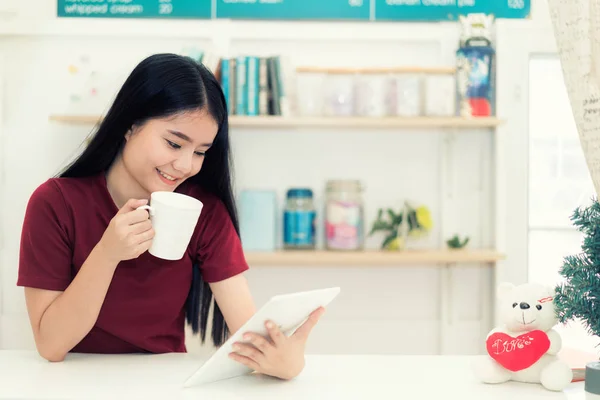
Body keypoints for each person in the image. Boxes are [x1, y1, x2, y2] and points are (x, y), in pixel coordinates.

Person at [16, 53, 325, 381]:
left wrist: (285, 362)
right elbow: (51, 346)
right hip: (69, 384)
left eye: (200, 152)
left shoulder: (203, 213)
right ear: (131, 125)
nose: (185, 165)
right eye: (174, 143)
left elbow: (247, 333)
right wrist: (107, 255)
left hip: (162, 383)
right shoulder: (55, 203)